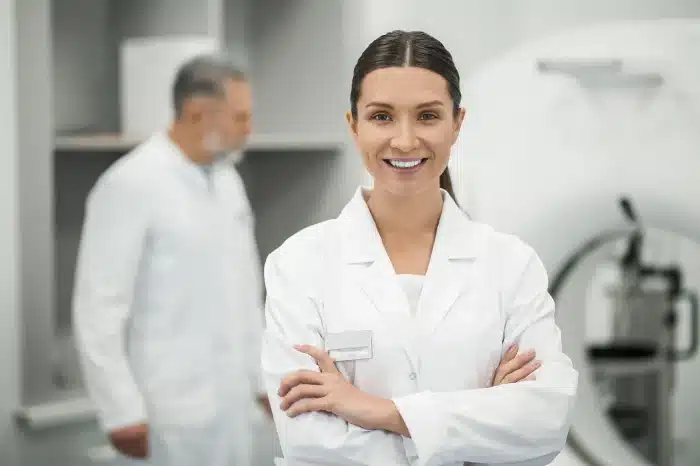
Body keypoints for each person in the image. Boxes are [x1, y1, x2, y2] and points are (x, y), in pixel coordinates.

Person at [260, 30, 579, 466]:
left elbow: (545, 421)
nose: (405, 140)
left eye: (427, 116)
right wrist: (480, 420)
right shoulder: (298, 264)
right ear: (354, 125)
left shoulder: (510, 264)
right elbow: (311, 443)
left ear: (457, 123)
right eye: (382, 117)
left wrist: (375, 410)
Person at [73, 54, 270, 466]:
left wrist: (261, 377)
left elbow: (245, 292)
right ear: (197, 112)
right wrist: (120, 411)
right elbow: (98, 310)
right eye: (239, 117)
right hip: (167, 411)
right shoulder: (131, 183)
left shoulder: (227, 181)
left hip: (232, 405)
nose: (249, 130)